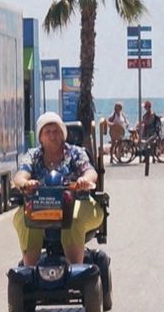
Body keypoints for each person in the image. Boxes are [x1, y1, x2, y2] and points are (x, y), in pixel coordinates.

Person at [11, 113, 103, 266]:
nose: (52, 135)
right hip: (42, 206)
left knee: (71, 217)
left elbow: (90, 171)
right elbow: (19, 177)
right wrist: (26, 183)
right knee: (26, 219)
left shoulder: (76, 153)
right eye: (47, 132)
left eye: (56, 131)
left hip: (78, 203)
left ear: (63, 134)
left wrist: (85, 180)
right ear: (40, 136)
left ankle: (75, 269)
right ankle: (30, 269)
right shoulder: (32, 155)